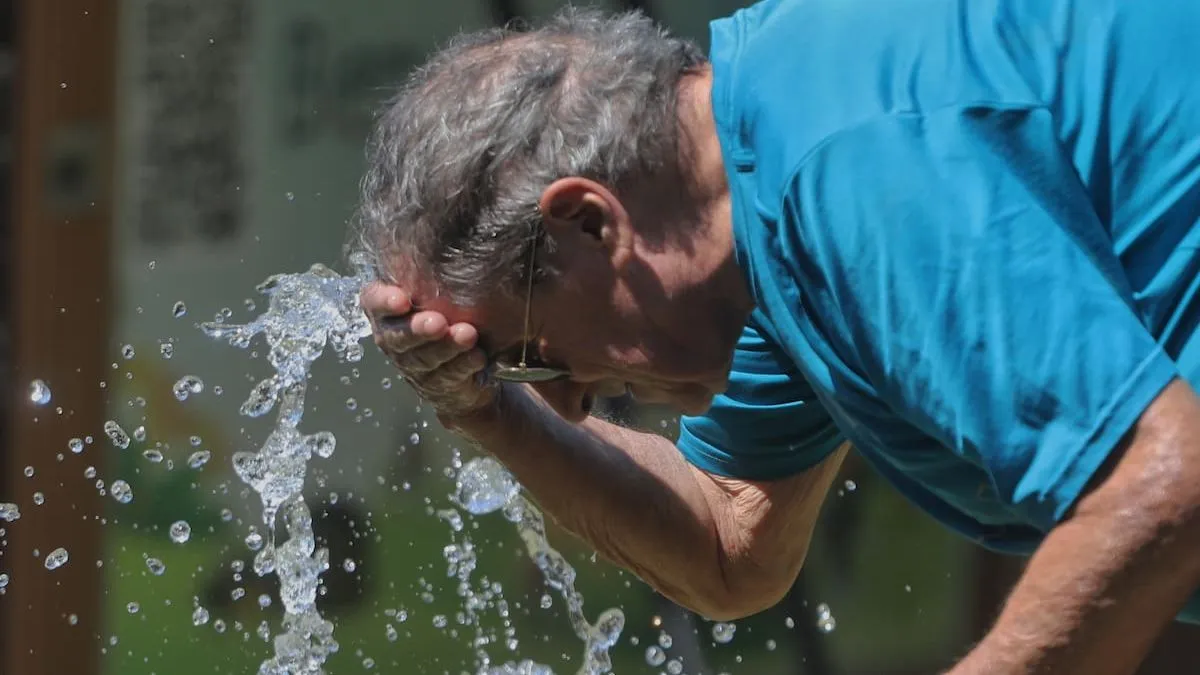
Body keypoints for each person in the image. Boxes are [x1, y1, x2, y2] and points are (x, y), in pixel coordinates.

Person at [351, 1, 1200, 672]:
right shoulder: (761, 193)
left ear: (586, 223)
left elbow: (1163, 485)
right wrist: (488, 410)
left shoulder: (853, 167)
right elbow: (729, 546)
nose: (568, 401)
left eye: (527, 357)